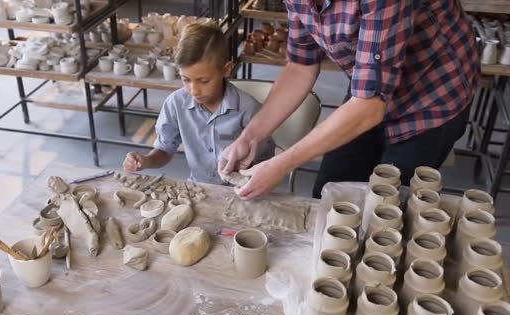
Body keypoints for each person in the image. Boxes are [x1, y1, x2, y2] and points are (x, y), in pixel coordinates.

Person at [219, 0, 480, 200]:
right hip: (369, 87)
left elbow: (368, 107)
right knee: (330, 193)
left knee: (388, 208)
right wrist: (251, 136)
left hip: (433, 91)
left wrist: (282, 164)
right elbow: (301, 66)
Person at [123, 22, 274, 184]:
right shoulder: (175, 104)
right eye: (185, 79)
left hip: (240, 188)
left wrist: (244, 173)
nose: (194, 91)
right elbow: (165, 150)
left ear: (226, 69)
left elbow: (265, 157)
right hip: (199, 186)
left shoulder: (248, 108)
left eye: (203, 81)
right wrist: (146, 161)